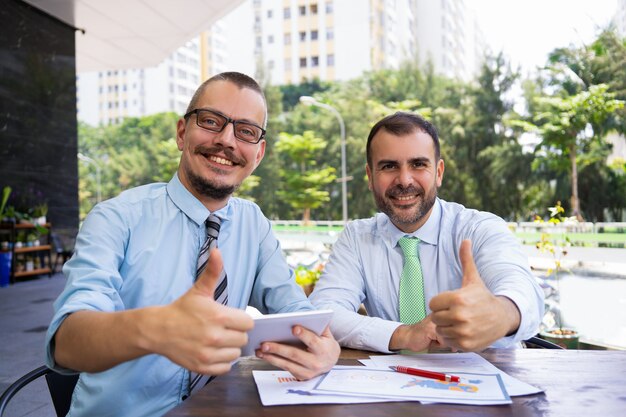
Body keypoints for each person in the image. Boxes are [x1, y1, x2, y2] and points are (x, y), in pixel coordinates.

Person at [45, 72, 340, 417]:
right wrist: (156, 327)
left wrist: (325, 345)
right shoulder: (115, 217)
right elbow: (66, 342)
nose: (227, 140)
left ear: (258, 154)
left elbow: (294, 309)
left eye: (245, 131)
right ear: (182, 133)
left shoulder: (254, 224)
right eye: (212, 121)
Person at [309, 112, 544, 354]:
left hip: (484, 380)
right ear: (370, 176)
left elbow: (523, 291)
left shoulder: (479, 228)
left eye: (418, 164)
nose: (404, 180)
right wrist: (405, 335)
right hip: (394, 382)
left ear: (439, 172)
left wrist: (500, 314)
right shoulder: (357, 238)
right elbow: (324, 312)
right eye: (389, 166)